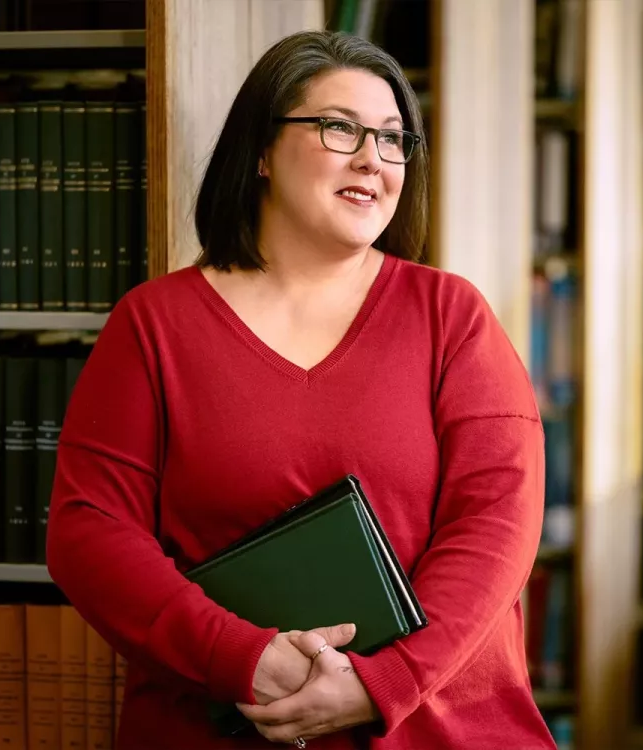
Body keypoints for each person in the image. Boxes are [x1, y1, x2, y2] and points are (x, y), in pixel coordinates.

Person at [47, 29, 556, 750]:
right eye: (338, 128)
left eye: (392, 139)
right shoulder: (154, 325)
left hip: (434, 727)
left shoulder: (451, 316)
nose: (371, 160)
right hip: (222, 721)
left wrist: (382, 683)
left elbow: (498, 524)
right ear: (259, 150)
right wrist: (245, 660)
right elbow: (88, 531)